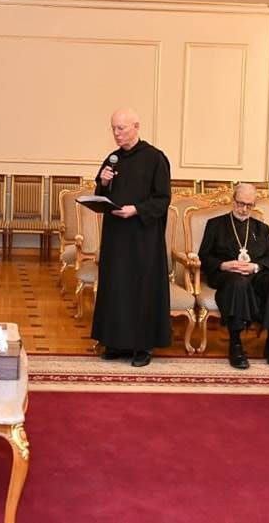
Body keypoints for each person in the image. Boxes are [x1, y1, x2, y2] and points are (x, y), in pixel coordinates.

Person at [91, 108, 172, 367]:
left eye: (121, 128)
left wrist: (136, 209)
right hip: (116, 236)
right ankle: (114, 342)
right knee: (116, 287)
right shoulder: (112, 159)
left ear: (136, 127)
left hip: (143, 237)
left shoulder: (155, 158)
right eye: (113, 128)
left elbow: (162, 199)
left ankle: (142, 347)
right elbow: (100, 194)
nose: (116, 133)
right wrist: (103, 183)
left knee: (140, 289)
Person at [197, 183, 269, 369]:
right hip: (227, 275)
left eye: (249, 205)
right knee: (239, 284)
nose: (244, 209)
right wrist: (224, 265)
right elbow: (204, 257)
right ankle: (236, 345)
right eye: (241, 204)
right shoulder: (215, 225)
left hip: (255, 274)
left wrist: (255, 267)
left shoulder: (262, 228)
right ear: (233, 201)